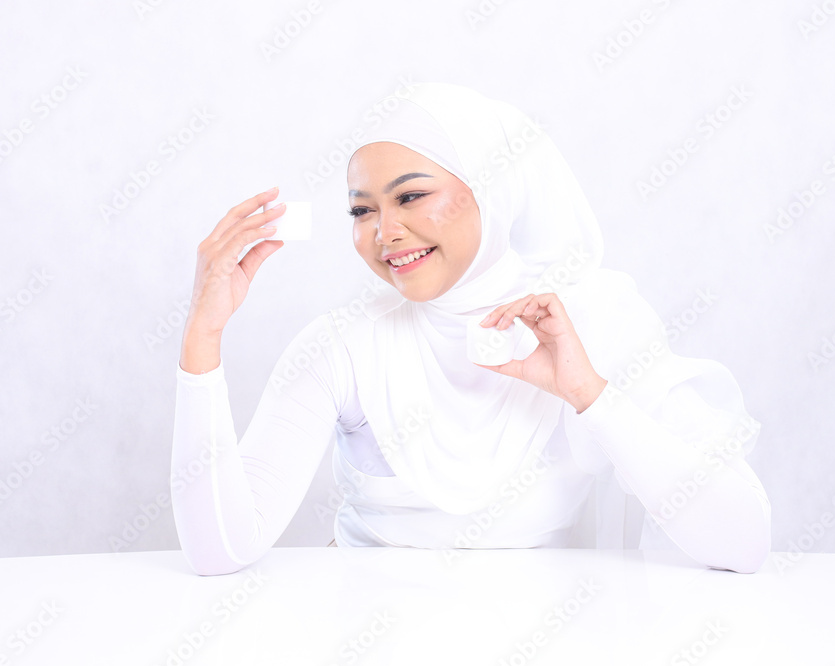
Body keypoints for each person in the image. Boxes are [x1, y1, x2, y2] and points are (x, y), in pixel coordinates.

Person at [170, 83, 771, 576]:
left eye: (411, 196)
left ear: (491, 188)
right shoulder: (343, 345)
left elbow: (743, 541)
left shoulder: (590, 322)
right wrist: (203, 333)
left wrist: (588, 395)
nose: (384, 232)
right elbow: (220, 550)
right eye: (362, 209)